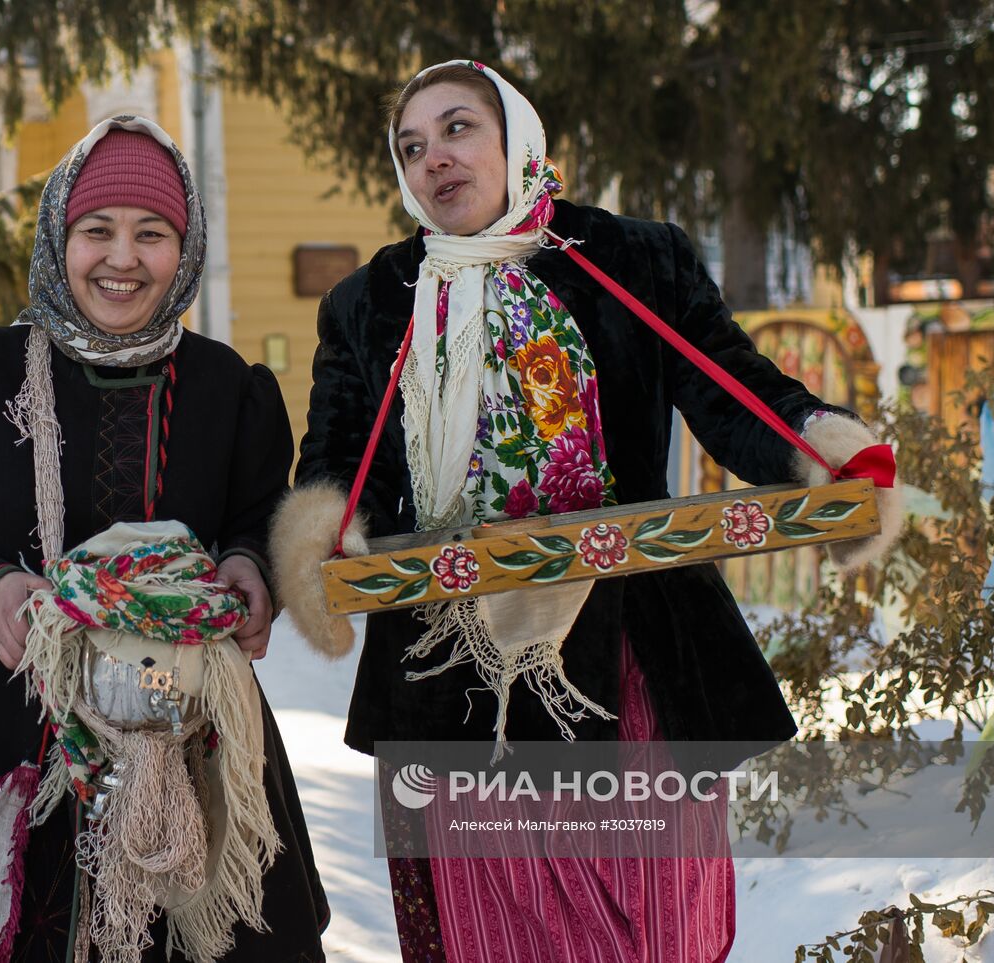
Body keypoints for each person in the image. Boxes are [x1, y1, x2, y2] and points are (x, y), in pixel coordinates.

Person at [274, 61, 900, 962]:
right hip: (462, 678)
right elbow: (339, 466)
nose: (434, 160)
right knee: (501, 933)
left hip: (632, 652)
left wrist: (821, 448)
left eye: (458, 130)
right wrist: (327, 540)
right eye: (412, 147)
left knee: (658, 923)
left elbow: (733, 391)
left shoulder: (630, 258)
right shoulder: (375, 300)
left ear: (516, 137)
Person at [0, 115, 328, 962]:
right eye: (95, 231)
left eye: (152, 234)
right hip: (9, 747)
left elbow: (258, 517)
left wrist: (254, 568)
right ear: (56, 238)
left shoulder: (230, 390)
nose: (122, 258)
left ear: (185, 251)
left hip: (191, 751)